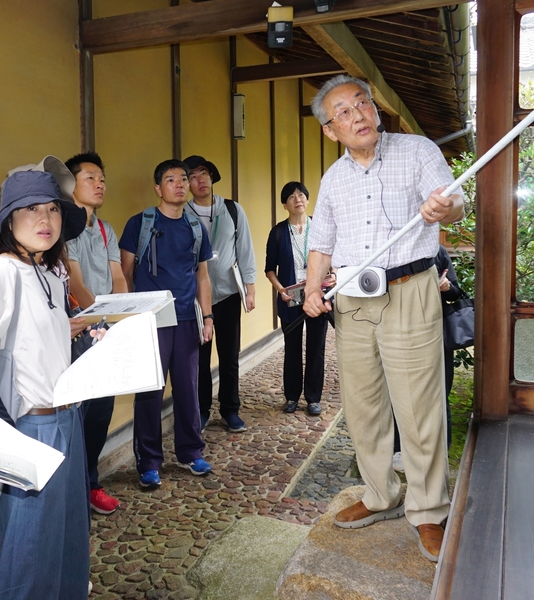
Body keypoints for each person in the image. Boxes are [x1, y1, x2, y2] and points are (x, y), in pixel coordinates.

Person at [302, 74, 464, 563]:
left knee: (418, 406)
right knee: (363, 404)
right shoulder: (333, 178)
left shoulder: (415, 151)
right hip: (352, 299)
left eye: (362, 104)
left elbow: (453, 202)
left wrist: (443, 208)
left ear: (374, 108)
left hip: (410, 289)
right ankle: (379, 495)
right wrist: (312, 287)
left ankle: (429, 509)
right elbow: (321, 242)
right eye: (344, 113)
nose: (358, 116)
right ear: (331, 130)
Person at [0, 167, 91, 600]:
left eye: (52, 208)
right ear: (9, 219)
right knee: (27, 558)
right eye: (31, 209)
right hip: (30, 427)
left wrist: (79, 335)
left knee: (68, 549)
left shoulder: (50, 272)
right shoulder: (0, 271)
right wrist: (6, 437)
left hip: (66, 421)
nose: (45, 218)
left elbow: (42, 345)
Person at [120, 159, 214, 489]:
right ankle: (149, 461)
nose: (180, 184)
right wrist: (133, 317)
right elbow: (125, 272)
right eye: (171, 180)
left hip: (187, 318)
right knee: (149, 392)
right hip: (151, 321)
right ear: (158, 188)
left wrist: (208, 316)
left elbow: (202, 275)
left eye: (183, 179)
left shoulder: (195, 226)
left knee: (189, 388)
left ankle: (191, 452)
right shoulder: (140, 224)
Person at [65, 151, 128, 515]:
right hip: (79, 330)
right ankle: (74, 487)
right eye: (90, 177)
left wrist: (118, 313)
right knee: (79, 411)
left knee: (102, 411)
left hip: (105, 329)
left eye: (102, 178)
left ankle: (90, 483)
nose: (99, 183)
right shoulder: (65, 228)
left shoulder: (105, 229)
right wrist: (98, 318)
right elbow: (75, 282)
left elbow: (118, 277)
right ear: (72, 184)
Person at [184, 155, 256, 432]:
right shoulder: (184, 213)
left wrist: (249, 290)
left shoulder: (232, 210)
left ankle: (230, 410)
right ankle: (201, 410)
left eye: (203, 173)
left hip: (227, 294)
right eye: (192, 176)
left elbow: (246, 250)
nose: (199, 180)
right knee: (199, 359)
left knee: (229, 356)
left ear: (212, 177)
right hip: (194, 298)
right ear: (186, 183)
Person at [392, 244, 460, 470]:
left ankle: (442, 450)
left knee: (440, 391)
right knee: (397, 391)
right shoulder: (394, 250)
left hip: (435, 331)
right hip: (399, 330)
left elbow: (456, 292)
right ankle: (399, 450)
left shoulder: (437, 251)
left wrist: (446, 286)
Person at [265, 181, 330, 416]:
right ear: (285, 204)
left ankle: (313, 398)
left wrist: (332, 277)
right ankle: (291, 396)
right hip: (290, 297)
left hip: (317, 294)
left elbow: (333, 258)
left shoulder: (321, 227)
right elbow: (269, 268)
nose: (298, 199)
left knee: (316, 346)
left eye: (301, 194)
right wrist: (280, 289)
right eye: (291, 197)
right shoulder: (278, 232)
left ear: (307, 199)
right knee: (292, 348)